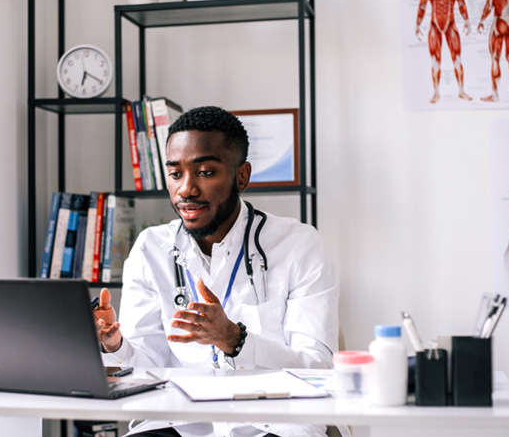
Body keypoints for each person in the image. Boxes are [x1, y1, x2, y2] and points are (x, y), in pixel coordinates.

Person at [94, 106, 339, 437]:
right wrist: (116, 344)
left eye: (206, 172)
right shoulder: (150, 248)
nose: (186, 190)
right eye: (176, 174)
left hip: (276, 422)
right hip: (179, 422)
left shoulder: (298, 246)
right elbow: (147, 365)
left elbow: (319, 370)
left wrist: (235, 340)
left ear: (242, 175)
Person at [415, 0, 473, 103]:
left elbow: (461, 3)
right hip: (434, 25)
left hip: (450, 23)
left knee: (457, 58)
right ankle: (436, 92)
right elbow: (422, 6)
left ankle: (461, 91)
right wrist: (418, 25)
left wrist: (466, 20)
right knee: (435, 61)